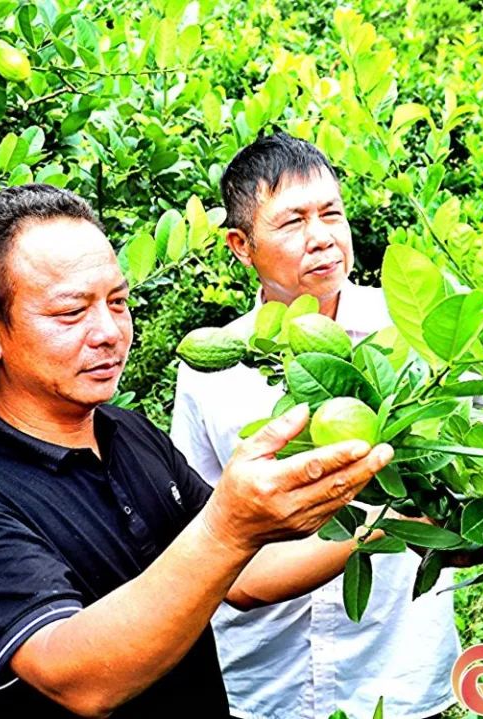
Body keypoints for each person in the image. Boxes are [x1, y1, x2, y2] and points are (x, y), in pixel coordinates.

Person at [0, 184, 395, 719]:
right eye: (71, 312)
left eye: (117, 302)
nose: (109, 332)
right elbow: (81, 681)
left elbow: (248, 573)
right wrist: (229, 527)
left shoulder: (129, 433)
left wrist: (403, 523)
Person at [171, 133, 463, 719]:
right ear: (241, 245)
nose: (322, 236)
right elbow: (202, 528)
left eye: (332, 213)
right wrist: (399, 524)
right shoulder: (210, 370)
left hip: (397, 670)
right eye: (293, 221)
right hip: (265, 677)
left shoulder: (417, 331)